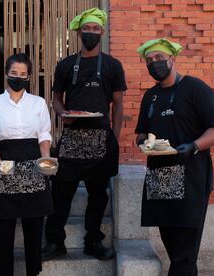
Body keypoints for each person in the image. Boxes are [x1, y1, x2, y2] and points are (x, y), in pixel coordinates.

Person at [135, 38, 214, 276]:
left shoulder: (195, 89)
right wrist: (143, 142)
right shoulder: (150, 97)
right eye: (149, 60)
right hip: (160, 180)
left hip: (191, 179)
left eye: (159, 58)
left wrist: (193, 146)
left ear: (172, 59)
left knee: (185, 255)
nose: (154, 63)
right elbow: (142, 132)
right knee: (174, 251)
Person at [42, 7, 127, 261]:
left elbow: (119, 104)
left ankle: (93, 241)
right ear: (79, 32)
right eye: (86, 28)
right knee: (61, 193)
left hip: (101, 140)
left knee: (98, 196)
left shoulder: (113, 65)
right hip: (71, 139)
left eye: (95, 28)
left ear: (101, 32)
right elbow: (56, 100)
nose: (90, 32)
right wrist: (64, 114)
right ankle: (55, 241)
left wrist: (116, 136)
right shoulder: (66, 65)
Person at [0, 53, 53, 276]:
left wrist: (45, 160)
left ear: (29, 77)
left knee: (34, 232)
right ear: (6, 74)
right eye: (14, 73)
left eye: (23, 74)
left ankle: (34, 272)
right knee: (3, 234)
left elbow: (44, 134)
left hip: (33, 166)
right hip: (5, 166)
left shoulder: (38, 103)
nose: (18, 77)